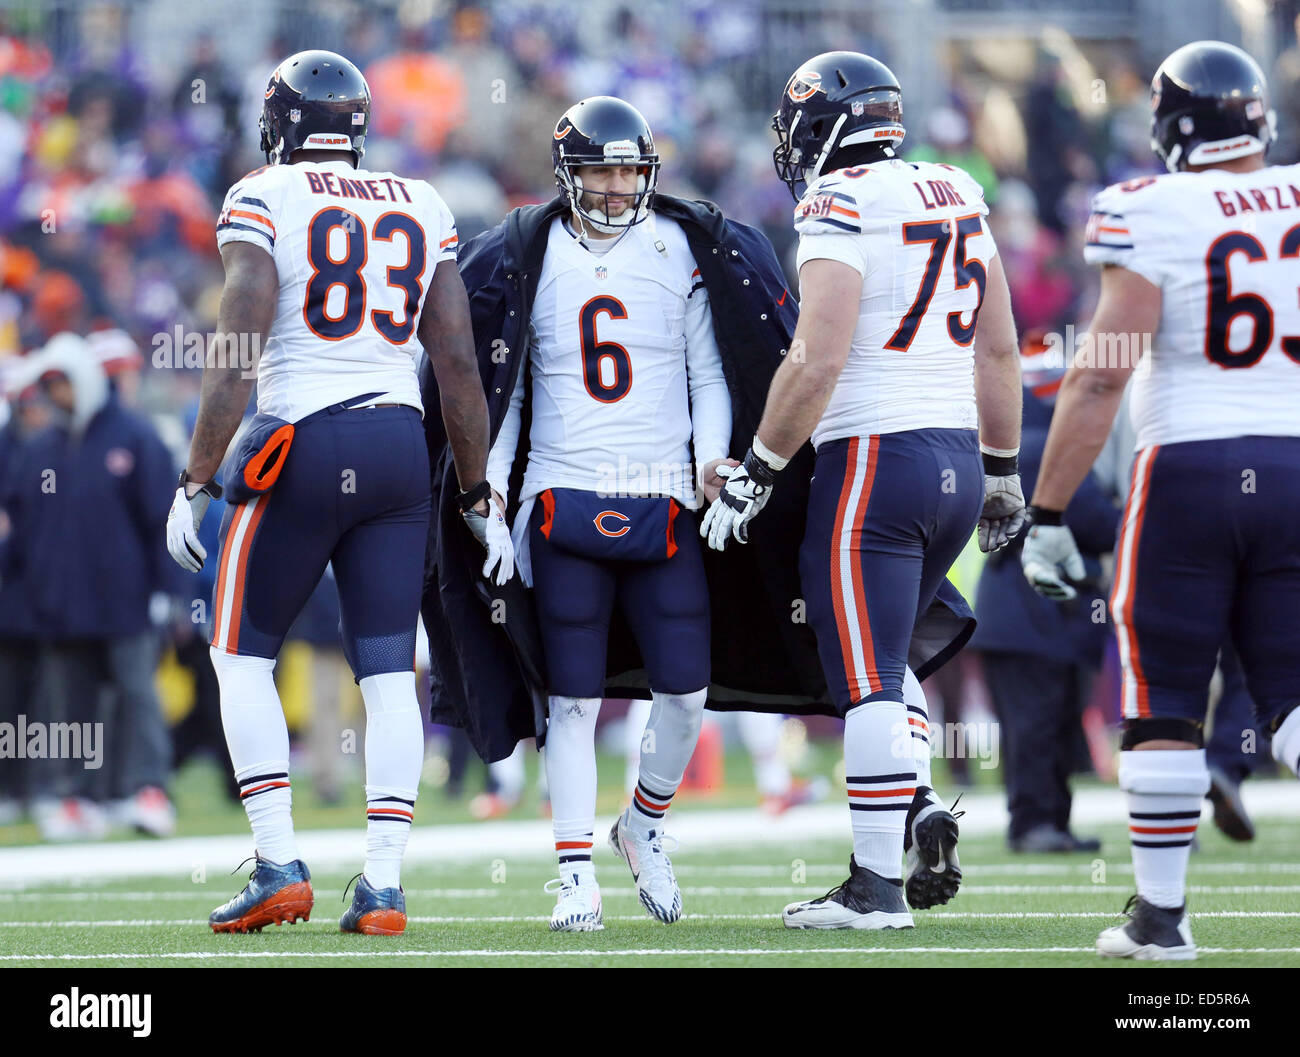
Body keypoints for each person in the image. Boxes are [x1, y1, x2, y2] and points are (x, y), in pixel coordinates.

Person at [165, 50, 511, 936]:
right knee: (389, 671)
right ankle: (384, 884)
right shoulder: (420, 201)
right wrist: (478, 494)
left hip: (301, 442)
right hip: (397, 448)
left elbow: (239, 346)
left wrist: (197, 474)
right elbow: (458, 365)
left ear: (278, 125)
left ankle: (279, 861)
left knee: (241, 654)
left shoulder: (265, 193)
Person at [704, 51, 1025, 930]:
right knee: (893, 653)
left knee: (871, 674)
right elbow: (999, 348)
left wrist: (758, 472)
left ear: (820, 129)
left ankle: (875, 888)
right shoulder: (957, 188)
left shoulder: (836, 202)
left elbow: (817, 357)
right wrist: (1003, 470)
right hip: (958, 457)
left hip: (877, 462)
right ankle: (915, 803)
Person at [1020, 41, 1300, 961]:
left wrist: (1051, 510)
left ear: (1175, 129)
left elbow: (1101, 376)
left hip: (1191, 470)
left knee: (1165, 695)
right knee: (1291, 699)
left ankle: (1161, 918)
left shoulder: (1152, 206)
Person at [479, 96, 730, 931]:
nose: (619, 184)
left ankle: (644, 825)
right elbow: (510, 384)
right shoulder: (533, 250)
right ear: (568, 174)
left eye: (629, 168)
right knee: (573, 702)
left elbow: (710, 374)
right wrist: (491, 490)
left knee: (687, 691)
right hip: (563, 491)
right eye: (601, 169)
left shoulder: (677, 247)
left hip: (662, 493)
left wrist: (710, 461)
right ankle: (575, 872)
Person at [971, 342, 1114, 853]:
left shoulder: (1014, 446)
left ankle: (1047, 820)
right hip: (1034, 614)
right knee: (1039, 724)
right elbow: (1098, 522)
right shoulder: (1045, 448)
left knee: (1044, 723)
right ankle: (1034, 822)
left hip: (1019, 612)